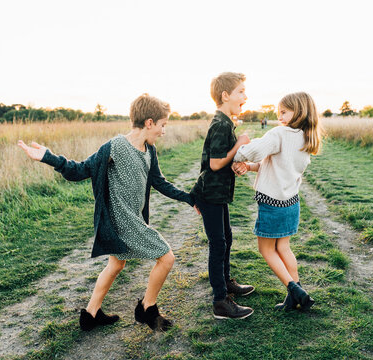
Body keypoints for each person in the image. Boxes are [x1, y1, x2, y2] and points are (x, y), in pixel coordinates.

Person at [18, 94, 197, 331]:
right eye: (163, 125)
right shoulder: (115, 146)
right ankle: (147, 308)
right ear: (150, 122)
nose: (164, 131)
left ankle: (91, 315)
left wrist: (188, 198)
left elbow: (159, 182)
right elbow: (80, 170)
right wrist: (50, 158)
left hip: (132, 217)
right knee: (166, 257)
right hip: (121, 220)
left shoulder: (149, 150)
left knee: (116, 265)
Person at [232, 91, 323, 311]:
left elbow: (254, 151)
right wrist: (251, 168)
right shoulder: (306, 138)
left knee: (266, 250)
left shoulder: (280, 134)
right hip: (291, 202)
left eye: (284, 112)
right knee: (283, 247)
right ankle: (295, 297)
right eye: (278, 112)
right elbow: (275, 166)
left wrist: (237, 154)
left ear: (299, 111)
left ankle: (294, 289)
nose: (279, 117)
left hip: (272, 203)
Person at [190, 72, 255, 319]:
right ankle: (220, 301)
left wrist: (237, 161)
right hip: (210, 195)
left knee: (226, 237)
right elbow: (216, 163)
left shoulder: (226, 122)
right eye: (240, 92)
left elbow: (220, 161)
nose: (245, 97)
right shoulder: (220, 124)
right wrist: (239, 145)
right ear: (225, 95)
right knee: (218, 244)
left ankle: (227, 283)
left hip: (217, 195)